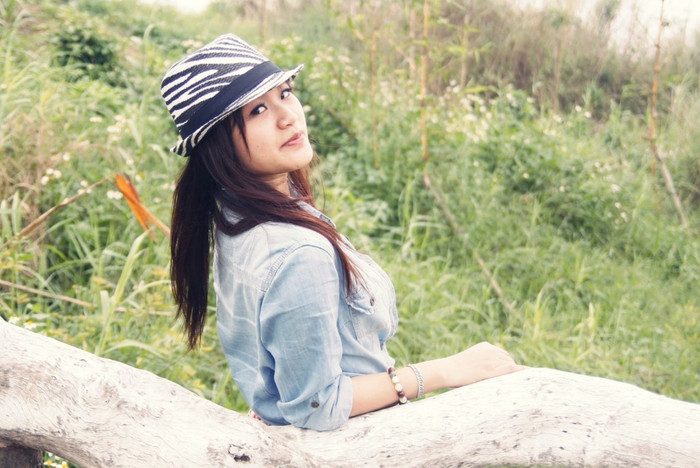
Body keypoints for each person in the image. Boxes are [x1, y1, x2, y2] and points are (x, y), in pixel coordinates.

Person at [161, 33, 525, 431]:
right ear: (218, 144)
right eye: (257, 110)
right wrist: (446, 370)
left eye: (285, 93)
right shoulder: (296, 254)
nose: (288, 116)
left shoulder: (235, 217)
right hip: (348, 444)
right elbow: (317, 405)